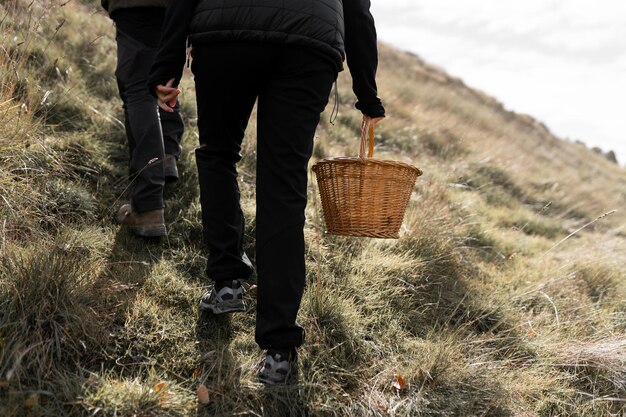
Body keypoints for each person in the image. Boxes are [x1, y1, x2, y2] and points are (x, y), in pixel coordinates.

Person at [148, 0, 385, 384]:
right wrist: (366, 91)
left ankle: (226, 283)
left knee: (218, 154)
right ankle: (279, 352)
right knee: (283, 186)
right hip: (310, 41)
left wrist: (166, 63)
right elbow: (357, 7)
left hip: (226, 29)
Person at [101, 0, 185, 237]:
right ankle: (166, 156)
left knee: (139, 92)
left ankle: (148, 207)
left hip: (136, 6)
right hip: (176, 7)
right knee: (161, 78)